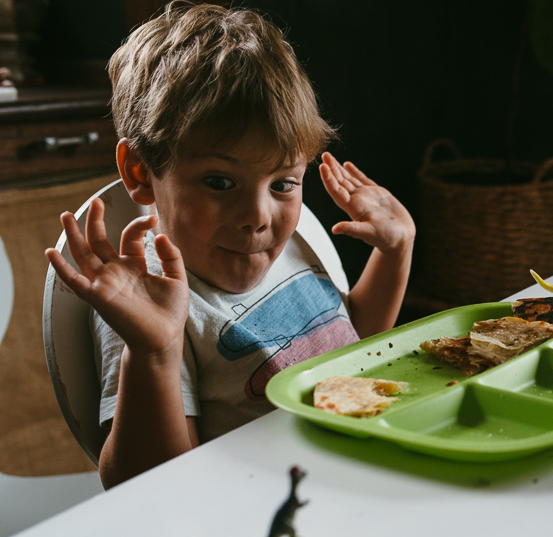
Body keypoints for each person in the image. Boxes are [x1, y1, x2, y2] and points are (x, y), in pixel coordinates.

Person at [44, 2, 415, 489]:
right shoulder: (147, 299)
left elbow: (349, 348)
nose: (258, 217)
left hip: (353, 476)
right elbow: (144, 486)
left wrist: (395, 252)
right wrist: (153, 352)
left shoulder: (290, 243)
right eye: (219, 182)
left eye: (283, 183)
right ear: (140, 172)